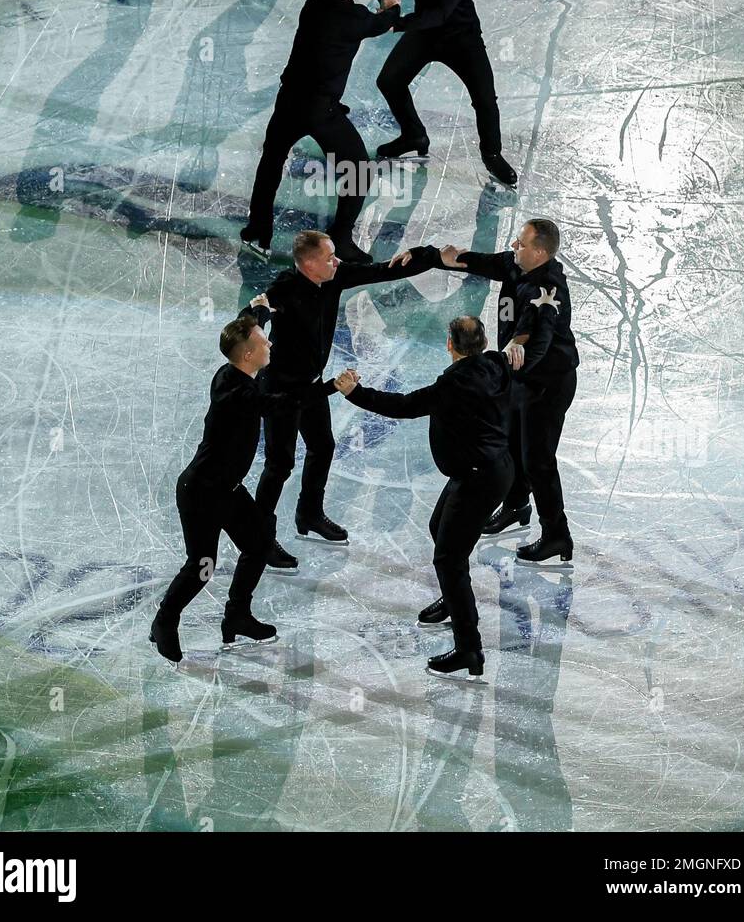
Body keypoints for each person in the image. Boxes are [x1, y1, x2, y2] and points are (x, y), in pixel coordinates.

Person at [334, 317, 523, 677]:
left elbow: (403, 406)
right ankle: (455, 602)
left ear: (449, 345)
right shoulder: (497, 363)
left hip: (478, 479)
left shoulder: (452, 384)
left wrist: (354, 393)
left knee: (450, 560)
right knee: (439, 527)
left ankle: (470, 649)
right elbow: (511, 356)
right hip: (492, 469)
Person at [251, 230, 443, 569]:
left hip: (311, 386)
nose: (337, 261)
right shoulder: (285, 287)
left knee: (323, 447)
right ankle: (259, 538)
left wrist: (426, 255)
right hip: (280, 391)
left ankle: (309, 513)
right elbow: (252, 317)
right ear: (310, 264)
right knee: (279, 465)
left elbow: (383, 271)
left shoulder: (334, 277)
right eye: (329, 257)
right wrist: (258, 314)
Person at [240, 0, 401, 265]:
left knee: (272, 160)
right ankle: (340, 238)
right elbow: (380, 22)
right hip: (320, 111)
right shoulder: (355, 19)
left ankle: (257, 231)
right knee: (358, 168)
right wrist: (392, 6)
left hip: (289, 101)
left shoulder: (313, 5)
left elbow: (355, 16)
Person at [149, 302, 284, 663]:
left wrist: (259, 314)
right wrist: (332, 387)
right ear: (249, 354)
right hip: (202, 494)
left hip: (227, 490)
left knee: (259, 543)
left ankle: (237, 614)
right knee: (202, 566)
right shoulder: (240, 394)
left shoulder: (233, 371)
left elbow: (248, 328)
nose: (269, 344)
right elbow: (283, 402)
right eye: (263, 341)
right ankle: (165, 621)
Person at [446, 219, 579, 562]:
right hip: (520, 379)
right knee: (511, 443)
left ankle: (556, 535)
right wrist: (433, 255)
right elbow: (483, 262)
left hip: (548, 384)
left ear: (539, 252)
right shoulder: (517, 263)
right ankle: (516, 506)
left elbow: (538, 341)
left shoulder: (548, 291)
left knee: (538, 460)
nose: (513, 246)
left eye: (520, 243)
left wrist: (502, 367)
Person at [374, 0, 518, 186]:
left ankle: (492, 153)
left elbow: (441, 13)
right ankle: (413, 135)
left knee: (485, 98)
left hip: (460, 36)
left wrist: (399, 24)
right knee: (389, 80)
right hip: (424, 33)